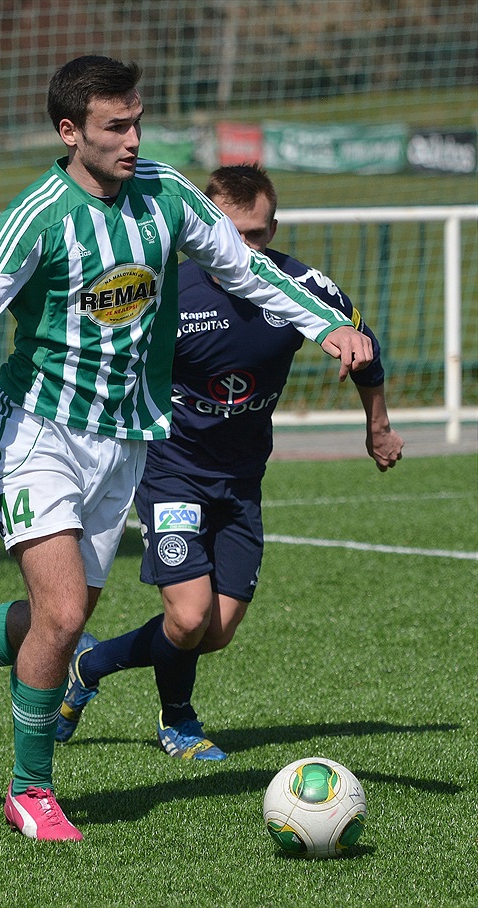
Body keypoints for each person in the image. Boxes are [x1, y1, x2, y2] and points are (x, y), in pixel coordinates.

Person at [0, 58, 373, 842]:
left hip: (126, 436)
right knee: (66, 611)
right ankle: (29, 791)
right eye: (117, 126)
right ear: (70, 132)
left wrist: (325, 324)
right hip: (38, 427)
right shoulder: (38, 214)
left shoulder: (167, 194)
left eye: (138, 121)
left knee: (58, 619)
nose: (134, 139)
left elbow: (243, 270)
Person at [54, 163, 404, 760]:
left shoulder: (303, 287)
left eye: (260, 235)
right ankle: (179, 722)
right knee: (188, 618)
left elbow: (362, 351)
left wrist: (379, 426)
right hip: (171, 471)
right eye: (233, 235)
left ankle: (92, 664)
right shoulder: (164, 295)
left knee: (214, 631)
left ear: (275, 228)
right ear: (206, 228)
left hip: (243, 478)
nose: (247, 249)